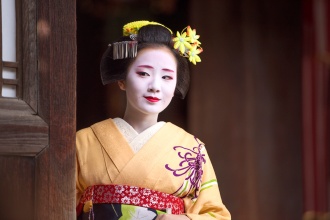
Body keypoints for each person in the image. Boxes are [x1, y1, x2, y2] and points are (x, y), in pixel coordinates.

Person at [76, 20, 231, 220]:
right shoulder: (83, 141)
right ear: (121, 79)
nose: (155, 86)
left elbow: (216, 215)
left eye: (166, 77)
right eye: (143, 73)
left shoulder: (193, 149)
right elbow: (56, 205)